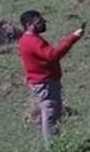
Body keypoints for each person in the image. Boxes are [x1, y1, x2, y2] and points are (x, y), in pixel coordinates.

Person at [18, 10, 84, 143]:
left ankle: (55, 144)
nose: (43, 23)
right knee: (50, 114)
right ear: (29, 24)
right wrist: (73, 38)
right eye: (39, 21)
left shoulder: (27, 40)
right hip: (45, 84)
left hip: (43, 82)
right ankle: (54, 148)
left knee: (51, 113)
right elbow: (53, 55)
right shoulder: (33, 41)